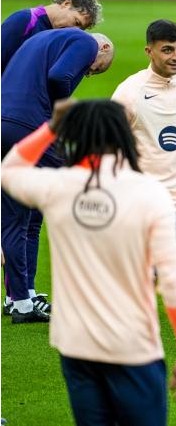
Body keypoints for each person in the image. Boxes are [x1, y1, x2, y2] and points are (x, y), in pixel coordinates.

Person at [0, 99, 176, 424]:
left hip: (76, 346)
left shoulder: (58, 186)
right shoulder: (149, 193)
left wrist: (51, 128)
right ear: (125, 136)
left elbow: (9, 170)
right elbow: (174, 281)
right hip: (134, 345)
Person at [112, 19, 176, 385]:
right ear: (149, 51)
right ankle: (133, 357)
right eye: (167, 50)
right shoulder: (130, 92)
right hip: (145, 203)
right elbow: (112, 147)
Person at [1, 28, 114, 323]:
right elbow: (60, 76)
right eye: (95, 69)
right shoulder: (87, 42)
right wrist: (66, 117)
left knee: (20, 216)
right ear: (103, 49)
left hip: (4, 124)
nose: (88, 72)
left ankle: (20, 299)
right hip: (29, 128)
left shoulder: (39, 40)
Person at [1, 0, 102, 73]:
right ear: (66, 4)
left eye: (80, 29)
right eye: (76, 22)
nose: (74, 30)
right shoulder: (25, 19)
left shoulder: (56, 35)